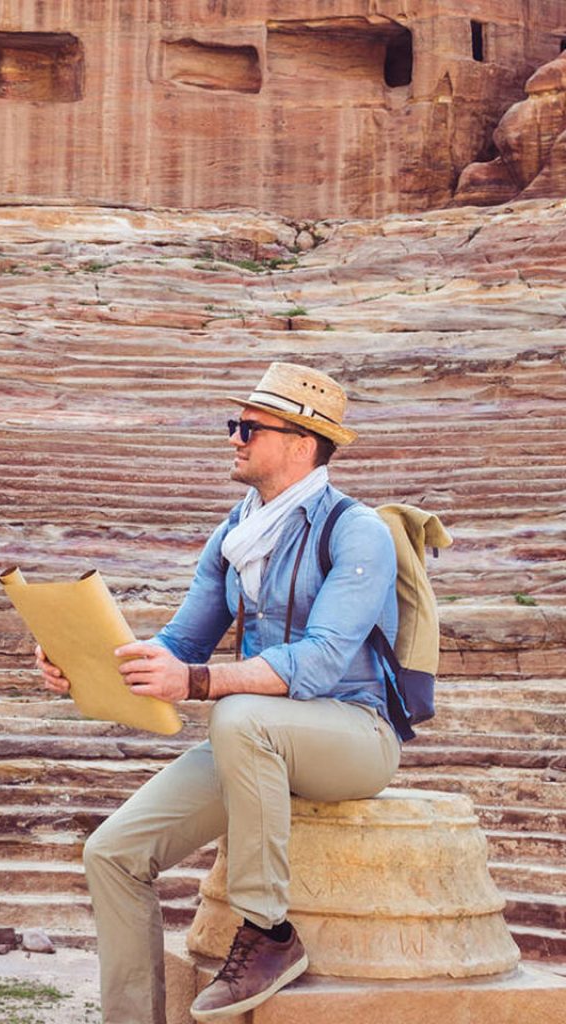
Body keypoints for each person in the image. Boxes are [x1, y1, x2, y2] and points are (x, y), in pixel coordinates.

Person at [36, 362, 402, 1024]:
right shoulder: (237, 533)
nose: (235, 437)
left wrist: (198, 684)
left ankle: (268, 933)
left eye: (250, 427)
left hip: (354, 735)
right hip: (256, 736)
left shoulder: (357, 531)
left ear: (301, 442)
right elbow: (183, 645)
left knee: (237, 715)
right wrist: (82, 657)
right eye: (237, 425)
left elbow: (318, 665)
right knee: (112, 854)